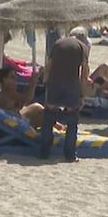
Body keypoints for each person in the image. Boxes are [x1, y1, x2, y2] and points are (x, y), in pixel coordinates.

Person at [42, 28, 90, 161]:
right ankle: (69, 155)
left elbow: (49, 65)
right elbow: (84, 74)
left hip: (54, 84)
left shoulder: (57, 43)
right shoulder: (82, 47)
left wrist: (46, 83)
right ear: (83, 38)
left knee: (48, 119)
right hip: (71, 85)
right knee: (72, 121)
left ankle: (44, 152)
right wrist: (82, 94)